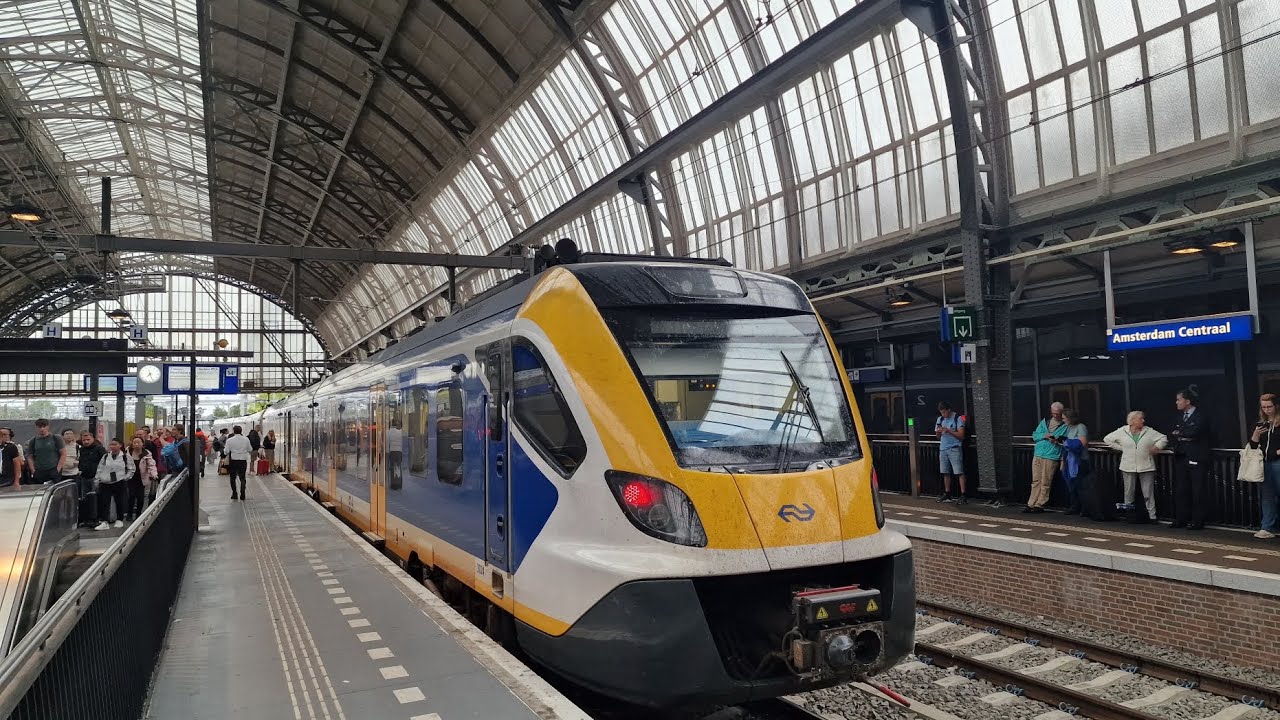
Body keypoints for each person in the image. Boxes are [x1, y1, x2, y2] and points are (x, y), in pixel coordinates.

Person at [1103, 411, 1167, 523]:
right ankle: (1129, 515)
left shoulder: (1149, 431)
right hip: (1128, 465)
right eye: (1140, 419)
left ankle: (1152, 516)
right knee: (1128, 492)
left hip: (1146, 465)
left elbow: (1163, 438)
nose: (1143, 421)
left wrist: (1156, 447)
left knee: (1148, 493)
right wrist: (1120, 448)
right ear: (1132, 421)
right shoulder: (1122, 431)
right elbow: (1107, 439)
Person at [1170, 389, 1212, 530]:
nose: (1177, 402)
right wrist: (1182, 434)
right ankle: (1181, 518)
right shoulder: (1179, 417)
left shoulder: (1201, 415)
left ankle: (1197, 520)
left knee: (1198, 489)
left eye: (1179, 400)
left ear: (1187, 401)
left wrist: (1181, 433)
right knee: (1181, 489)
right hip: (1182, 456)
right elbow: (1174, 433)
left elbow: (1195, 432)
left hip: (1197, 456)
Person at [1248, 393, 1280, 539]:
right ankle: (1267, 526)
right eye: (1264, 407)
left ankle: (1270, 525)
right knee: (1267, 496)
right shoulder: (1260, 423)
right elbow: (1253, 446)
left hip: (1278, 461)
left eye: (1269, 407)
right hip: (1265, 462)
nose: (1267, 410)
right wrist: (1255, 434)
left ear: (1276, 406)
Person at [1025, 402, 1067, 513]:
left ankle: (1040, 504)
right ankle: (1031, 503)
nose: (1055, 416)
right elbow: (1035, 436)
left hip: (1052, 455)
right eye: (1054, 413)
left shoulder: (1066, 426)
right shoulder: (1044, 422)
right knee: (1036, 480)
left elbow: (1066, 441)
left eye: (1058, 414)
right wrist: (1044, 435)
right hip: (1038, 453)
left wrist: (1057, 440)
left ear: (1062, 413)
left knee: (1045, 481)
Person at [93, 439, 133, 530]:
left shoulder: (125, 457)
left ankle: (119, 519)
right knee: (104, 501)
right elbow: (100, 468)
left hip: (119, 481)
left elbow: (131, 469)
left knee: (119, 500)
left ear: (120, 445)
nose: (112, 446)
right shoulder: (106, 456)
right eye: (111, 444)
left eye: (115, 444)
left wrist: (125, 477)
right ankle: (104, 521)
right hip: (105, 481)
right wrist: (97, 479)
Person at [934, 402, 967, 504]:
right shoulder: (940, 420)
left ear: (949, 410)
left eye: (944, 412)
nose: (943, 414)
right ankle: (947, 493)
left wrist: (948, 430)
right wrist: (938, 432)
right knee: (945, 472)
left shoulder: (958, 418)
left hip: (954, 448)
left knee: (959, 472)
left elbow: (961, 435)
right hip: (943, 448)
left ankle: (963, 494)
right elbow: (938, 437)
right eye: (941, 413)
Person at [1059, 409, 1089, 515]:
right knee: (1071, 484)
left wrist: (1068, 443)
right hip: (1069, 459)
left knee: (1080, 484)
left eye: (1064, 418)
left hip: (1080, 460)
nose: (1062, 420)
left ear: (1070, 418)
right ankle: (1074, 505)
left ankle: (1084, 507)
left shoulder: (1080, 427)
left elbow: (1083, 442)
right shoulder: (1068, 427)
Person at [26, 419, 66, 485]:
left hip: (53, 469)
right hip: (39, 471)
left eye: (44, 426)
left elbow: (63, 454)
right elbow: (30, 457)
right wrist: (33, 471)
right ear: (36, 428)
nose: (42, 429)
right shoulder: (33, 441)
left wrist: (58, 469)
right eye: (39, 427)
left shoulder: (56, 438)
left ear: (48, 427)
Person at [127, 436, 159, 516]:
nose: (136, 444)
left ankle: (139, 514)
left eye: (138, 442)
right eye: (134, 443)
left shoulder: (146, 454)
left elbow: (152, 465)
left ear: (142, 444)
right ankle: (129, 514)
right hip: (131, 478)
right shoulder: (128, 452)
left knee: (140, 497)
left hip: (142, 479)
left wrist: (154, 474)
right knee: (131, 496)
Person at [224, 425, 252, 500]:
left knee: (232, 478)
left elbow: (226, 451)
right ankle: (243, 494)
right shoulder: (246, 439)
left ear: (233, 431)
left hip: (233, 460)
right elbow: (250, 449)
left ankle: (234, 493)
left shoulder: (229, 440)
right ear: (241, 431)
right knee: (242, 477)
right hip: (243, 460)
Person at [77, 432, 106, 499]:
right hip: (84, 477)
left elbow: (105, 462)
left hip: (96, 477)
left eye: (88, 439)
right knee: (85, 497)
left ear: (93, 439)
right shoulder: (81, 449)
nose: (86, 442)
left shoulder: (99, 448)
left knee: (95, 497)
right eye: (84, 440)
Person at [386, 422, 402, 490]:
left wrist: (387, 452)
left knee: (392, 468)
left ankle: (393, 484)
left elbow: (387, 443)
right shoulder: (400, 432)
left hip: (392, 451)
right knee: (398, 467)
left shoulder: (388, 432)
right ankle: (399, 483)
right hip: (399, 452)